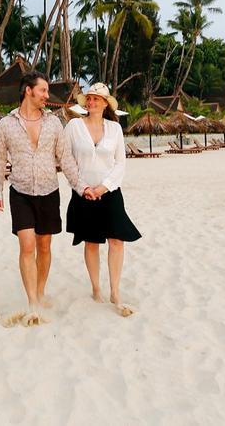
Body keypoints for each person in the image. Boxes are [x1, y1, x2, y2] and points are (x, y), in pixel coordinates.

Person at [0, 71, 84, 326]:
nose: (46, 95)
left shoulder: (54, 124)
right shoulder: (6, 124)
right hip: (20, 192)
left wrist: (80, 186)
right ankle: (32, 302)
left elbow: (65, 158)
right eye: (42, 90)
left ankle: (40, 291)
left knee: (44, 247)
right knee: (27, 246)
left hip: (49, 192)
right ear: (28, 91)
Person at [63, 83, 141, 317]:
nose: (92, 102)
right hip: (83, 192)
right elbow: (66, 160)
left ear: (106, 104)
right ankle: (96, 288)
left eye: (97, 99)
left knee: (117, 240)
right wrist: (83, 187)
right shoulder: (74, 126)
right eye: (90, 98)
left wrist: (103, 188)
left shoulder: (115, 129)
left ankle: (115, 291)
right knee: (91, 242)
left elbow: (120, 163)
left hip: (110, 192)